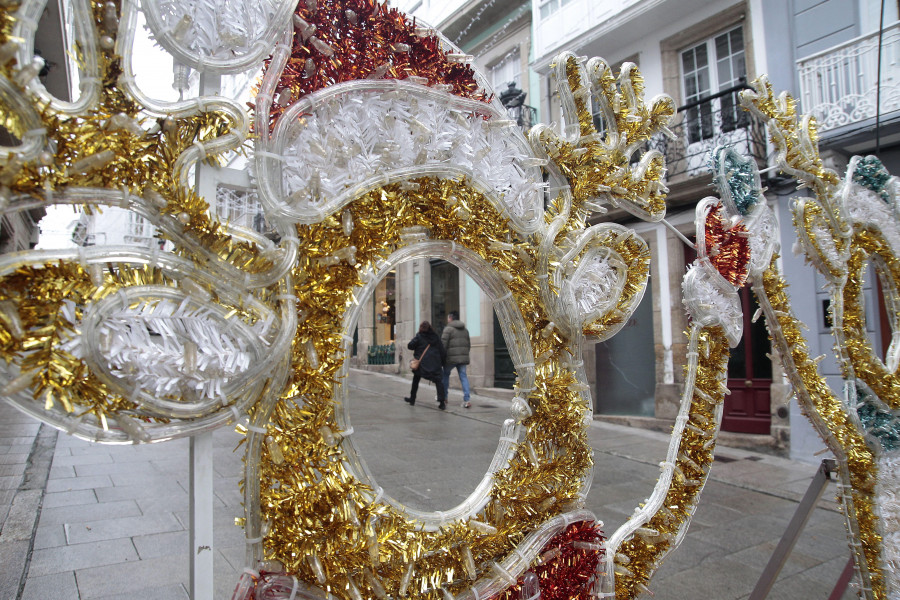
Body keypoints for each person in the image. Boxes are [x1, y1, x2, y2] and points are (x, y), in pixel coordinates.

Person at [405, 321, 447, 409]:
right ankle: (442, 403)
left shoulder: (419, 336)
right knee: (438, 381)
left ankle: (412, 399)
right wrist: (442, 363)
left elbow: (410, 346)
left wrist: (416, 339)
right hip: (435, 363)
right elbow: (442, 350)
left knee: (416, 380)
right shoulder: (435, 337)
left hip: (422, 364)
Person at [441, 311, 472, 408]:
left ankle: (444, 397)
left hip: (450, 359)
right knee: (463, 377)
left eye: (448, 318)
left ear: (450, 318)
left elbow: (443, 344)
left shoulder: (448, 329)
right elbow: (468, 344)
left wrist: (442, 356)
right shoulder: (465, 330)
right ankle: (467, 399)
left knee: (445, 375)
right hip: (462, 358)